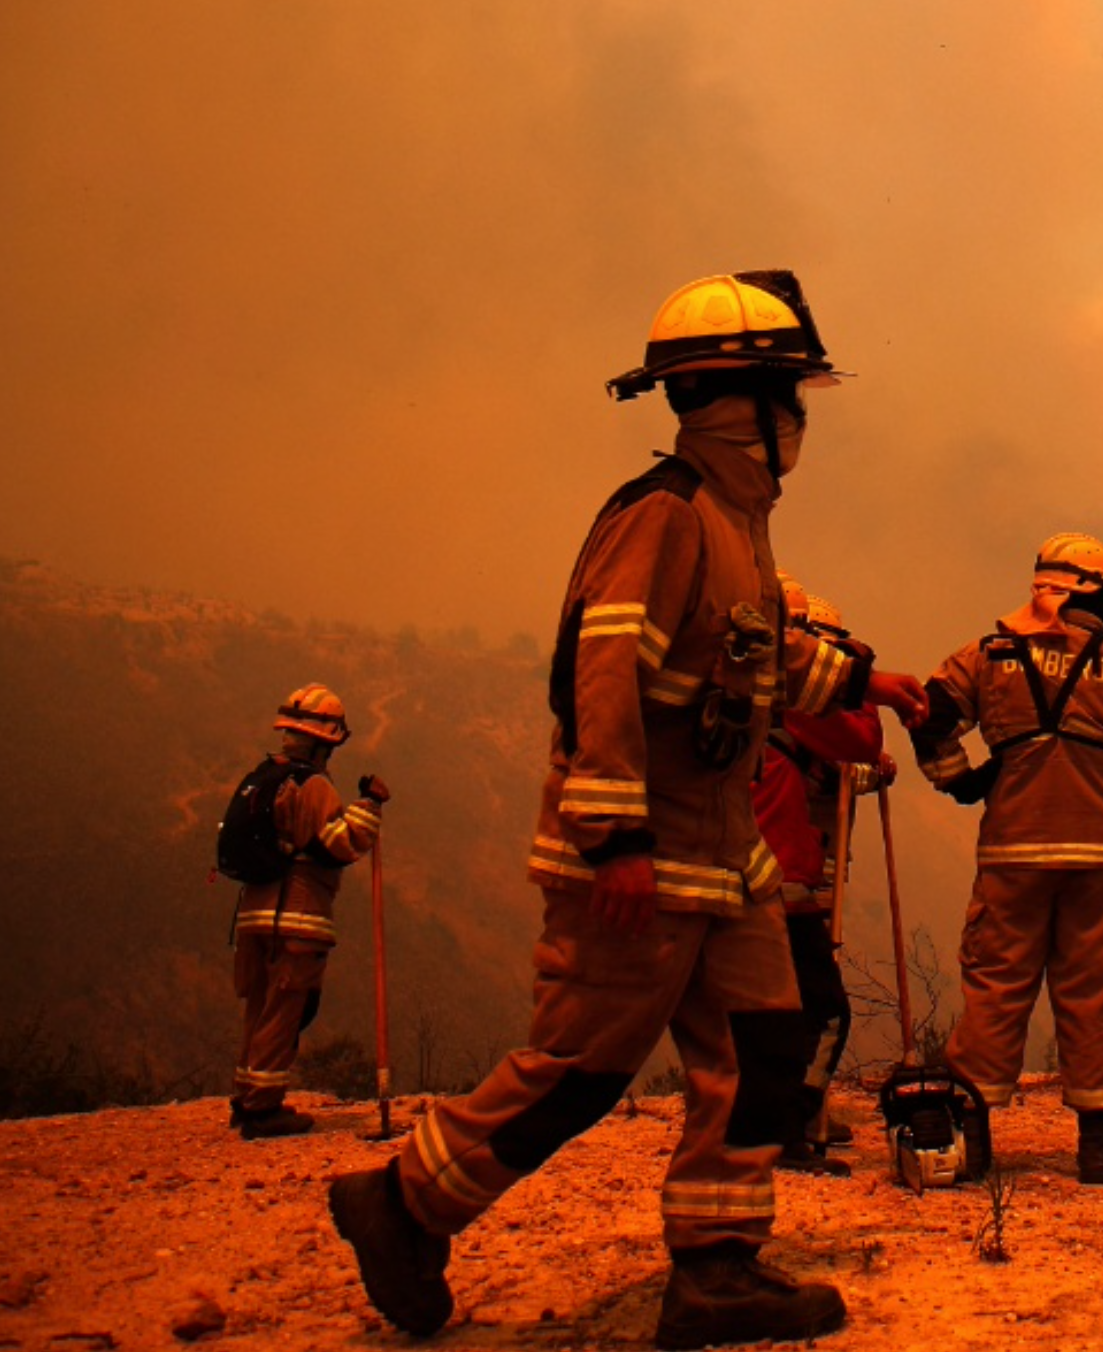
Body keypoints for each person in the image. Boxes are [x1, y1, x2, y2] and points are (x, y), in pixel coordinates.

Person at [327, 271, 927, 1347]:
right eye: (790, 393)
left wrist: (859, 680)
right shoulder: (664, 514)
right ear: (740, 397)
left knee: (764, 1051)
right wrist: (612, 841)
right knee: (581, 1069)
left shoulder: (738, 525)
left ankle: (715, 1271)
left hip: (722, 858)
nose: (798, 419)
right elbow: (598, 672)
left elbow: (739, 657)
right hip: (644, 855)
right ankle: (405, 1201)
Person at [909, 532, 1103, 1184]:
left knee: (996, 985)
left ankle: (974, 1138)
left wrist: (960, 779)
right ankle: (1097, 1146)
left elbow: (927, 711)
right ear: (1097, 594)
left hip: (1012, 851)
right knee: (1096, 989)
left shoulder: (989, 656)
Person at [752, 579, 891, 1175]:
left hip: (747, 871)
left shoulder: (736, 690)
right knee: (820, 1010)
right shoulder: (796, 698)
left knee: (753, 1012)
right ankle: (788, 1128)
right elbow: (858, 740)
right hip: (783, 876)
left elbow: (830, 769)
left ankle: (764, 1127)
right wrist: (856, 679)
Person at [226, 683, 385, 1139]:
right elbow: (336, 844)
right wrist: (369, 807)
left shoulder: (266, 777)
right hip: (297, 916)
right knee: (286, 1009)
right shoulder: (311, 785)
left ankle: (246, 1095)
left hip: (254, 913)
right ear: (325, 741)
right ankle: (263, 1110)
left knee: (259, 1007)